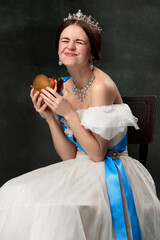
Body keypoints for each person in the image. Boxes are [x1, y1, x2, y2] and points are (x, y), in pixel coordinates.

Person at [0, 9, 160, 240]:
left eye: (79, 42)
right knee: (13, 192)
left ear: (92, 52)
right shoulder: (63, 87)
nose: (70, 46)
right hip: (80, 169)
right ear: (58, 48)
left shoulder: (100, 87)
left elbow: (96, 154)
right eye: (65, 40)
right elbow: (69, 156)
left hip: (111, 172)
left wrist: (69, 114)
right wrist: (50, 118)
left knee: (59, 209)